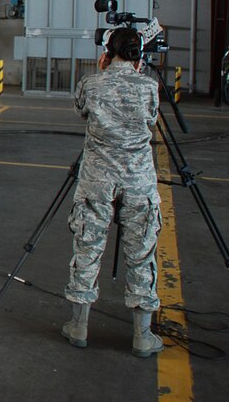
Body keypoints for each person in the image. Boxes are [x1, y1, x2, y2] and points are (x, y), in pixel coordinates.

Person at [62, 27, 163, 357]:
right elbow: (150, 118)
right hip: (138, 181)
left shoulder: (92, 82)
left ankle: (78, 325)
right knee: (142, 253)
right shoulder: (149, 85)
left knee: (87, 249)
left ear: (108, 52)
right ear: (139, 55)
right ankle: (142, 335)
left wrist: (104, 73)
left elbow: (81, 111)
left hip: (96, 181)